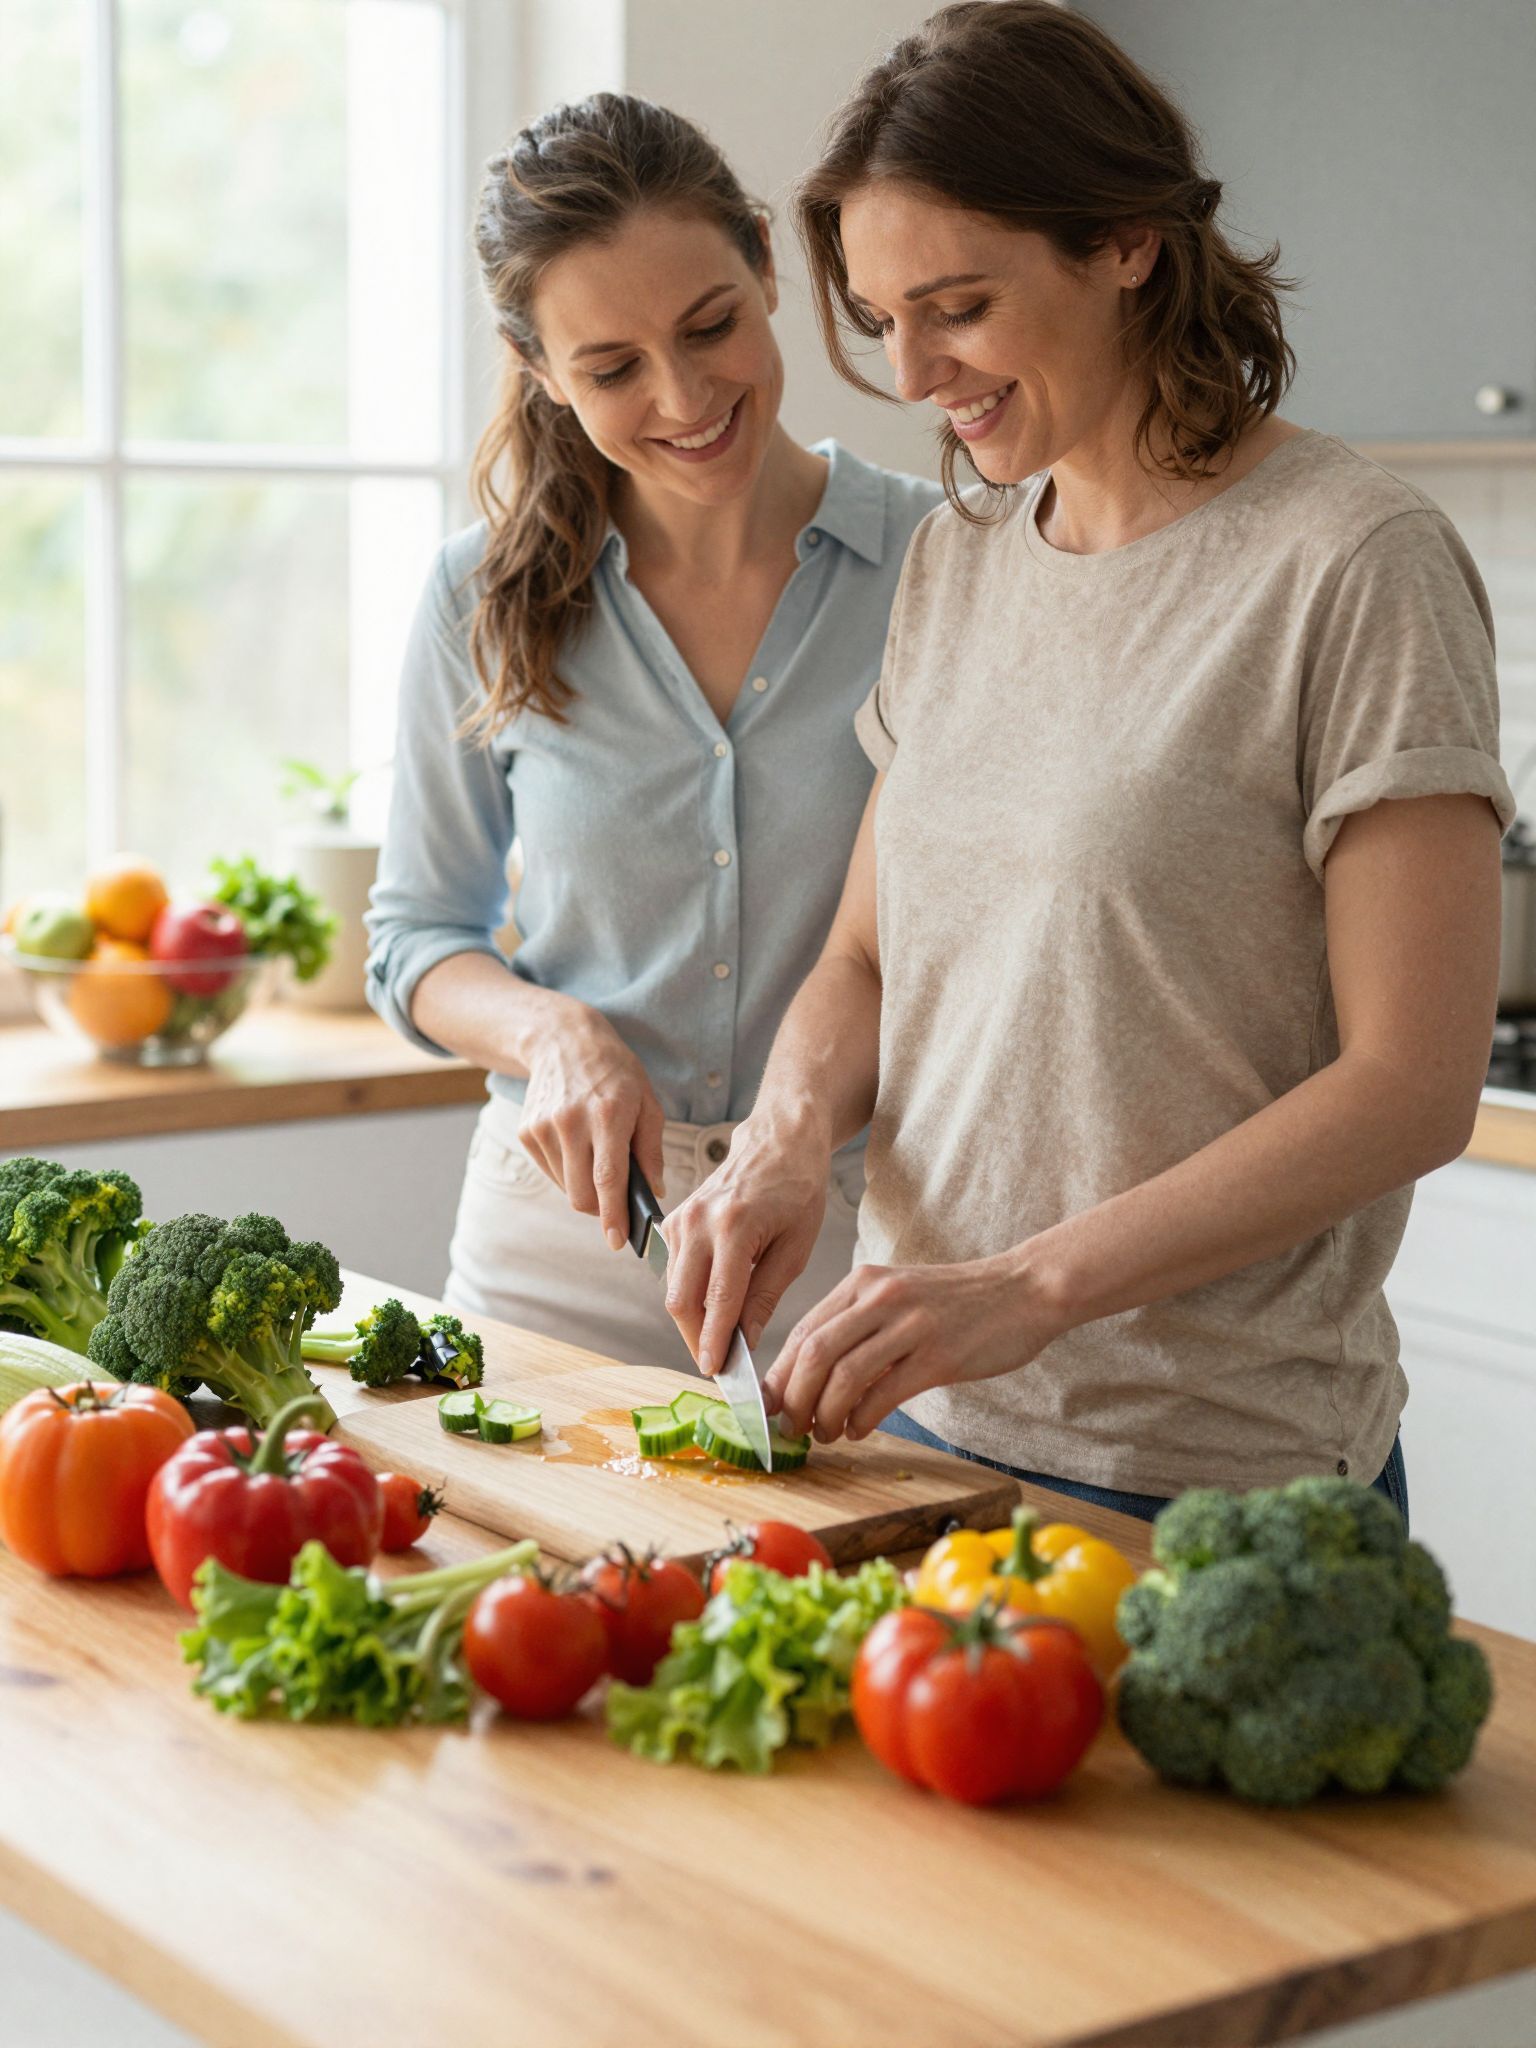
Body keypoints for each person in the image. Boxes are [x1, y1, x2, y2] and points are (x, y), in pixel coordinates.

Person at [661, 1, 1516, 1526]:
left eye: (958, 307)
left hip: (1214, 1475)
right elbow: (866, 956)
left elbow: (1412, 1087)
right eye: (881, 318)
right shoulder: (962, 558)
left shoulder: (1352, 561)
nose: (913, 372)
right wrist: (783, 1142)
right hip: (914, 1430)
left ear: (1127, 241)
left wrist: (1028, 1287)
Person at [364, 94, 940, 1368]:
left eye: (710, 325)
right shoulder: (481, 594)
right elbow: (415, 936)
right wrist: (553, 1034)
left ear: (765, 261)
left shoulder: (942, 563)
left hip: (854, 1225)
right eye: (612, 368)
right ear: (539, 369)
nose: (684, 396)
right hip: (560, 1236)